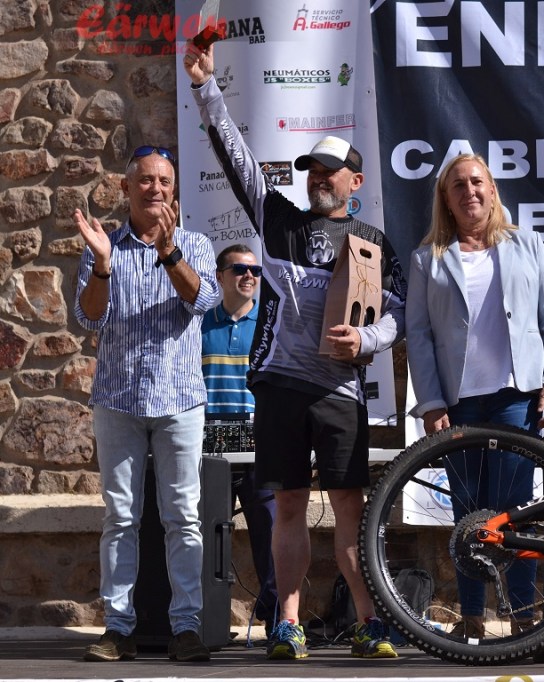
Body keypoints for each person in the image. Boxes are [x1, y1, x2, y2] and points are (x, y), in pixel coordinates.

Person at [182, 42, 406, 661]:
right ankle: (287, 622)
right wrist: (205, 88)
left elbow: (400, 314)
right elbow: (236, 160)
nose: (318, 178)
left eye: (330, 171)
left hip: (340, 388)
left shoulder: (371, 241)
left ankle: (368, 622)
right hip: (281, 383)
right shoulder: (278, 219)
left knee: (351, 511)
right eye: (312, 170)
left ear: (355, 182)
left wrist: (366, 339)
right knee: (288, 506)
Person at [406, 154, 544, 638]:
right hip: (459, 404)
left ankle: (523, 616)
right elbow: (419, 336)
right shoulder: (427, 258)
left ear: (492, 189)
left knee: (517, 512)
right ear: (445, 199)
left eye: (477, 182)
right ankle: (472, 617)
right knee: (469, 515)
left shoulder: (527, 244)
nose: (469, 191)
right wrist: (431, 402)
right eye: (457, 185)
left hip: (516, 397)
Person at [75, 146, 218, 663]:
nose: (156, 188)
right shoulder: (103, 245)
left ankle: (186, 628)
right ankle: (118, 628)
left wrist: (169, 252)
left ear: (174, 189)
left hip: (179, 401)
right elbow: (89, 318)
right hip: (118, 400)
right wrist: (102, 266)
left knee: (183, 517)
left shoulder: (195, 244)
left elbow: (203, 301)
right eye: (146, 180)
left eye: (164, 181)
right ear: (126, 187)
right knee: (120, 518)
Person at [201, 243, 279, 638]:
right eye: (239, 269)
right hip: (209, 440)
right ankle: (202, 620)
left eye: (255, 271)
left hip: (257, 439)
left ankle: (278, 619)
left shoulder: (270, 325)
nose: (249, 276)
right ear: (220, 276)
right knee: (203, 536)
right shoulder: (199, 324)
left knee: (271, 531)